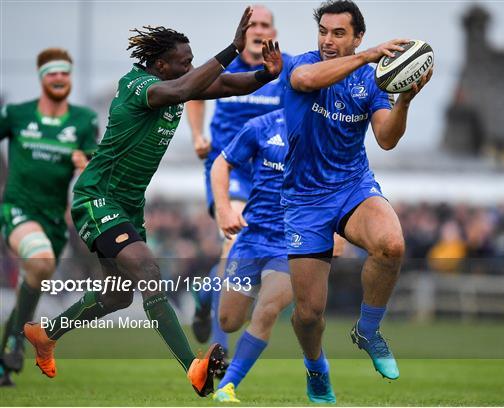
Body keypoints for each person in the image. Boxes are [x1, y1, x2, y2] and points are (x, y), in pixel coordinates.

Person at [23, 7, 283, 398]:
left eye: (192, 61)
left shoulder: (175, 83)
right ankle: (193, 366)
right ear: (161, 64)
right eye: (184, 62)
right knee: (147, 267)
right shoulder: (140, 85)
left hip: (127, 206)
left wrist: (266, 74)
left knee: (118, 294)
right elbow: (183, 89)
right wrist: (232, 47)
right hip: (97, 197)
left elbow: (229, 86)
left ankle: (45, 335)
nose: (191, 68)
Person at [282, 0, 432, 403]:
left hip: (351, 186)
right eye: (324, 32)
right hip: (303, 199)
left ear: (357, 35)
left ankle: (368, 330)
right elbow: (306, 80)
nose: (328, 40)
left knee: (392, 244)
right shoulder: (301, 63)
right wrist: (367, 56)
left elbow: (386, 138)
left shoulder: (371, 81)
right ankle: (316, 367)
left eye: (339, 33)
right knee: (309, 315)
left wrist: (405, 100)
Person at [186, 5, 290, 355]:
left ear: (273, 33)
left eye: (265, 24)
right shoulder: (225, 66)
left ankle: (205, 293)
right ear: (243, 32)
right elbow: (194, 93)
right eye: (253, 24)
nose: (259, 29)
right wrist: (198, 134)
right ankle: (220, 349)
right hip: (227, 169)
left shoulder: (284, 69)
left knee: (246, 261)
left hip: (270, 178)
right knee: (234, 246)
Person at [0, 48, 98, 386]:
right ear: (42, 77)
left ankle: (4, 362)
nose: (59, 78)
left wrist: (83, 165)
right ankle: (15, 341)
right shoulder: (16, 114)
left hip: (55, 221)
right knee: (39, 262)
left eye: (65, 73)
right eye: (53, 73)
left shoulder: (83, 120)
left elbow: (92, 167)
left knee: (35, 276)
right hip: (18, 209)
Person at [209, 109, 291, 402]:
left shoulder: (325, 128)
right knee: (229, 321)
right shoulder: (261, 126)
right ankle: (206, 292)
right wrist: (224, 210)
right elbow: (221, 163)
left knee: (267, 310)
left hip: (293, 242)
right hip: (253, 238)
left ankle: (227, 386)